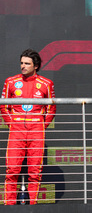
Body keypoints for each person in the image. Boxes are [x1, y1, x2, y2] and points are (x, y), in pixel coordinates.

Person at [0, 49, 56, 205]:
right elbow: (3, 107)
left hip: (36, 131)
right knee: (11, 170)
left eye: (27, 63)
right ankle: (9, 206)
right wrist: (13, 123)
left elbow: (52, 109)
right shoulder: (10, 81)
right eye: (21, 63)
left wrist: (41, 126)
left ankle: (33, 207)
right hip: (16, 130)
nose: (23, 66)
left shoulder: (46, 84)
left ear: (36, 66)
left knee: (35, 173)